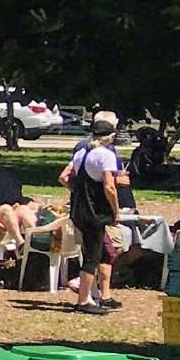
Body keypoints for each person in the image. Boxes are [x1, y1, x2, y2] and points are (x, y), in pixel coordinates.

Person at [64, 112, 124, 314]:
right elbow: (109, 187)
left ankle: (98, 296)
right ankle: (83, 300)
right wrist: (115, 210)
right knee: (92, 256)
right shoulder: (106, 155)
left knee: (98, 252)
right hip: (95, 211)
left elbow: (66, 178)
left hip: (78, 209)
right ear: (111, 136)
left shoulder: (80, 154)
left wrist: (78, 193)